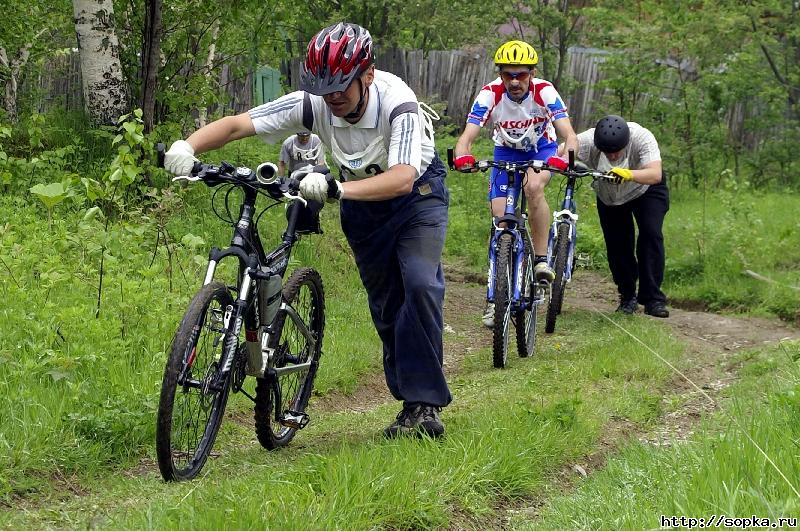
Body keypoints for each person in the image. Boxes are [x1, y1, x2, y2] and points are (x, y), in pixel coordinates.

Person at [164, 22, 451, 438]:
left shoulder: (398, 104)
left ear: (367, 75)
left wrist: (337, 187)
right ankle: (410, 398)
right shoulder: (313, 103)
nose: (332, 96)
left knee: (420, 285)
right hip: (359, 199)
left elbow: (403, 177)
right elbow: (237, 124)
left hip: (416, 197)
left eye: (341, 86)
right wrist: (187, 146)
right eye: (324, 87)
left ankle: (424, 405)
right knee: (388, 304)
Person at [453, 40, 578, 328]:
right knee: (501, 221)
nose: (514, 81)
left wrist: (566, 158)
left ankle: (542, 259)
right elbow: (467, 136)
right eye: (508, 74)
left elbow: (568, 135)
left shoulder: (544, 91)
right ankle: (496, 296)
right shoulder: (490, 93)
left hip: (542, 149)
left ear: (532, 73)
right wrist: (463, 156)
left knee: (533, 188)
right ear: (500, 74)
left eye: (521, 74)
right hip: (506, 152)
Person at [574, 115, 669, 317]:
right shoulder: (587, 140)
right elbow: (563, 149)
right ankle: (627, 297)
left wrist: (630, 174)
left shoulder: (642, 137)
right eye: (608, 152)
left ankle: (653, 300)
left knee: (651, 234)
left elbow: (655, 173)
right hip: (610, 196)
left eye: (617, 152)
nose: (613, 156)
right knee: (618, 245)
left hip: (646, 188)